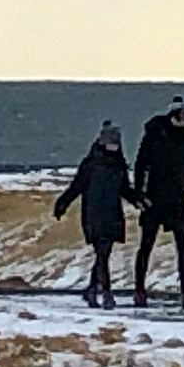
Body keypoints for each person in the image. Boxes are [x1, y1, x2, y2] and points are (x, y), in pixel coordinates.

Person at [51, 123, 129, 306]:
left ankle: (92, 289)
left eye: (116, 143)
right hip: (93, 214)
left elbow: (124, 189)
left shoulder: (119, 164)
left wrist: (140, 200)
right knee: (102, 253)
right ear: (102, 142)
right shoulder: (91, 164)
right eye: (111, 143)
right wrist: (62, 204)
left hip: (113, 213)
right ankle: (107, 294)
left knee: (104, 254)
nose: (114, 147)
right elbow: (77, 186)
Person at [132, 99, 184, 306]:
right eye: (179, 116)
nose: (182, 120)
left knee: (183, 247)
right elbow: (141, 165)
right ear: (171, 116)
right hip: (153, 199)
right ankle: (139, 290)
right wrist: (139, 195)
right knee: (146, 245)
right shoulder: (154, 136)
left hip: (177, 200)